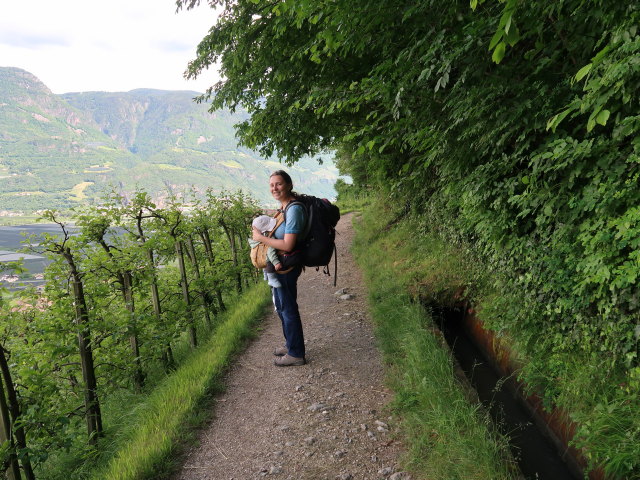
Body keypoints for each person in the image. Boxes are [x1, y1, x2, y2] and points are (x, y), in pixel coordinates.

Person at [252, 170, 307, 367]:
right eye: (271, 185)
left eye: (279, 184)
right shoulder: (284, 208)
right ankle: (290, 344)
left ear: (289, 185)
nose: (274, 188)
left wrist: (260, 239)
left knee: (288, 307)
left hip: (286, 266)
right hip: (280, 266)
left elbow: (288, 245)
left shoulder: (294, 210)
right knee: (282, 307)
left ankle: (296, 353)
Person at [248, 214, 283, 289]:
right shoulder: (268, 239)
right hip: (267, 261)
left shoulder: (255, 239)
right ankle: (271, 278)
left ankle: (265, 274)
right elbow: (271, 252)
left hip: (259, 258)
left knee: (263, 258)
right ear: (265, 231)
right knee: (268, 260)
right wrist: (276, 263)